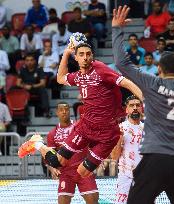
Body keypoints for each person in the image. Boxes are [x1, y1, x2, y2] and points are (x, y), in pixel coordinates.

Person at [112, 6, 174, 203]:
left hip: (156, 158)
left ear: (159, 69)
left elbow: (122, 63)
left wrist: (117, 29)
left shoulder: (153, 83)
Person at [18, 33, 143, 180]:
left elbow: (127, 83)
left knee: (83, 173)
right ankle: (37, 144)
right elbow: (60, 79)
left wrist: (144, 100)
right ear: (76, 57)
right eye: (81, 54)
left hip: (108, 133)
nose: (85, 57)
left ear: (92, 56)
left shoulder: (101, 69)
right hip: (86, 127)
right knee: (57, 162)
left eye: (88, 54)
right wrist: (65, 53)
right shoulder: (78, 76)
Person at [46, 102, 98, 204]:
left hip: (83, 168)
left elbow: (93, 143)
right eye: (61, 110)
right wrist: (52, 168)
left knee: (93, 200)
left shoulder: (79, 127)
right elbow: (49, 155)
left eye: (66, 109)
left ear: (70, 111)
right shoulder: (52, 133)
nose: (64, 112)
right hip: (65, 172)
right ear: (57, 112)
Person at [111, 95, 143, 204]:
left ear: (141, 108)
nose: (135, 108)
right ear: (127, 109)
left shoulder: (148, 129)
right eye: (132, 105)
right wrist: (119, 139)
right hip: (125, 176)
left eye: (137, 105)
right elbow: (114, 157)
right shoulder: (120, 128)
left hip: (145, 177)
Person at [16, 53, 50, 117]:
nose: (29, 62)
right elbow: (18, 83)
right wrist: (24, 86)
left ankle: (46, 111)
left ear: (34, 61)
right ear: (25, 62)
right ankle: (20, 113)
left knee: (43, 90)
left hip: (36, 88)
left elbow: (43, 83)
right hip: (25, 88)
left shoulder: (39, 69)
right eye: (27, 60)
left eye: (31, 60)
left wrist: (32, 86)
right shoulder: (22, 70)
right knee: (15, 89)